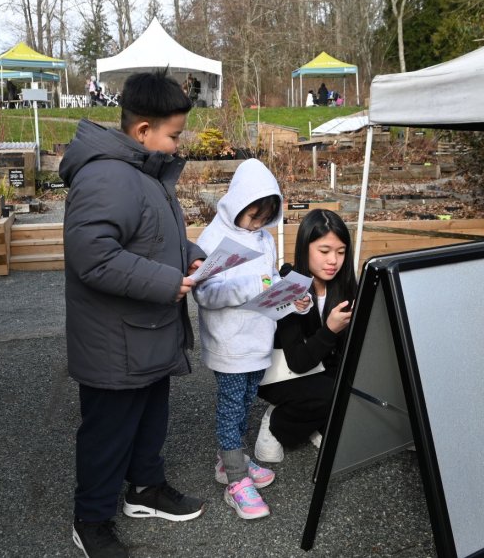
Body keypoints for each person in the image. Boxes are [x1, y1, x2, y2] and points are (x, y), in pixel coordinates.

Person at [59, 68, 206, 557]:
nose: (177, 144)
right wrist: (169, 282)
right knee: (108, 432)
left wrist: (189, 254)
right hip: (115, 340)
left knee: (149, 417)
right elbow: (94, 257)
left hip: (146, 328)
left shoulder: (142, 171)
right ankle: (92, 518)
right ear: (143, 130)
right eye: (174, 134)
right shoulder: (107, 175)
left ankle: (145, 489)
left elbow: (150, 237)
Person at [192, 159, 284, 520]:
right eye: (253, 215)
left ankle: (231, 458)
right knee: (231, 409)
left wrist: (290, 297)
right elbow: (205, 294)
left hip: (258, 339)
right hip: (230, 343)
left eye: (265, 217)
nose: (259, 223)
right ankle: (235, 479)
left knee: (246, 401)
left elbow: (271, 279)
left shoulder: (264, 238)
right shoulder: (214, 238)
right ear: (238, 204)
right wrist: (250, 287)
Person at [256, 209, 357, 463]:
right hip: (282, 375)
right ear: (305, 247)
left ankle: (319, 420)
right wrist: (330, 330)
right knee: (332, 393)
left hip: (323, 368)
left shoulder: (346, 286)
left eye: (341, 252)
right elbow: (298, 362)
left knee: (355, 387)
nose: (333, 260)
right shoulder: (288, 286)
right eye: (324, 251)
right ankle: (276, 422)